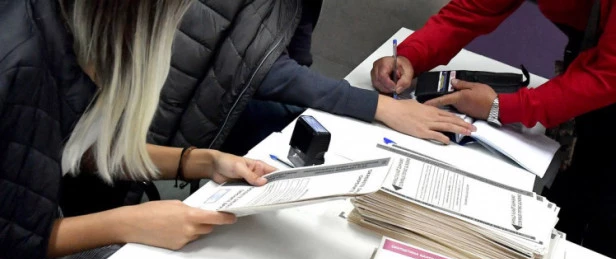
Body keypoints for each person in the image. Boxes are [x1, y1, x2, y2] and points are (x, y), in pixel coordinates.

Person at [371, 0, 616, 259]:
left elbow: (610, 76)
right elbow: (475, 8)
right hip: (609, 41)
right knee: (571, 187)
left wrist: (503, 107)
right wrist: (412, 55)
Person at [0, 0, 277, 259]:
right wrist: (125, 224)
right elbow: (13, 239)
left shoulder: (62, 33)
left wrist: (204, 162)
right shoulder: (21, 57)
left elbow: (67, 147)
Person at [149, 0, 476, 159]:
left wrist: (407, 59)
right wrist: (378, 106)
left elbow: (294, 61)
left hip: (217, 102)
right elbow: (261, 72)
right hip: (165, 117)